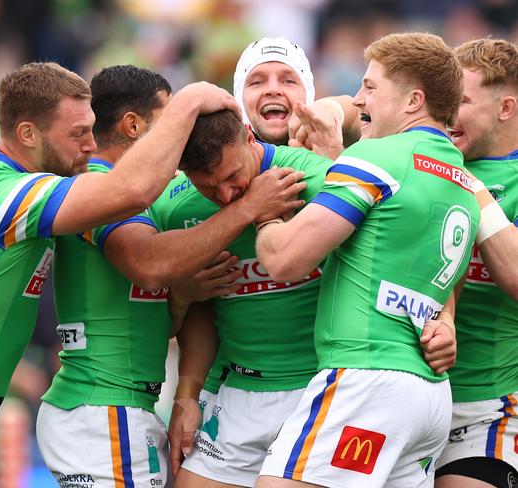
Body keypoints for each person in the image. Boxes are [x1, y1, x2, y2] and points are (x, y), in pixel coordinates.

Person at [0, 61, 238, 486]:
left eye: (92, 129)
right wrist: (188, 103)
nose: (90, 144)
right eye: (78, 133)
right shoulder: (6, 193)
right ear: (27, 134)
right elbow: (132, 192)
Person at [166, 36, 456, 488]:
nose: (224, 195)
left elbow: (417, 232)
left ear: (310, 97)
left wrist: (445, 314)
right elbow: (186, 302)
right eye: (256, 81)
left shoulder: (339, 172)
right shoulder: (178, 201)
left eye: (288, 79)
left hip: (329, 384)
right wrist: (183, 313)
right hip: (239, 391)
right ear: (239, 102)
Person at [35, 65, 304, 487]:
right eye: (173, 121)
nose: (184, 144)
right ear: (134, 125)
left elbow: (152, 313)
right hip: (103, 408)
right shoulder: (97, 188)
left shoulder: (128, 198)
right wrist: (249, 207)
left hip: (120, 406)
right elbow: (150, 265)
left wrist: (181, 297)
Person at [254, 32, 479, 487]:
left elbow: (285, 261)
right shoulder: (464, 181)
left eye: (371, 87)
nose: (358, 98)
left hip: (366, 376)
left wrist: (263, 216)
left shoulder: (376, 158)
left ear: (414, 100)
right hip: (428, 397)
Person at [435, 38, 518, 488]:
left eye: (461, 100)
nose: (446, 113)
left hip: (487, 406)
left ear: (505, 108)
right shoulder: (427, 159)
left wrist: (468, 187)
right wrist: (333, 113)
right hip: (408, 400)